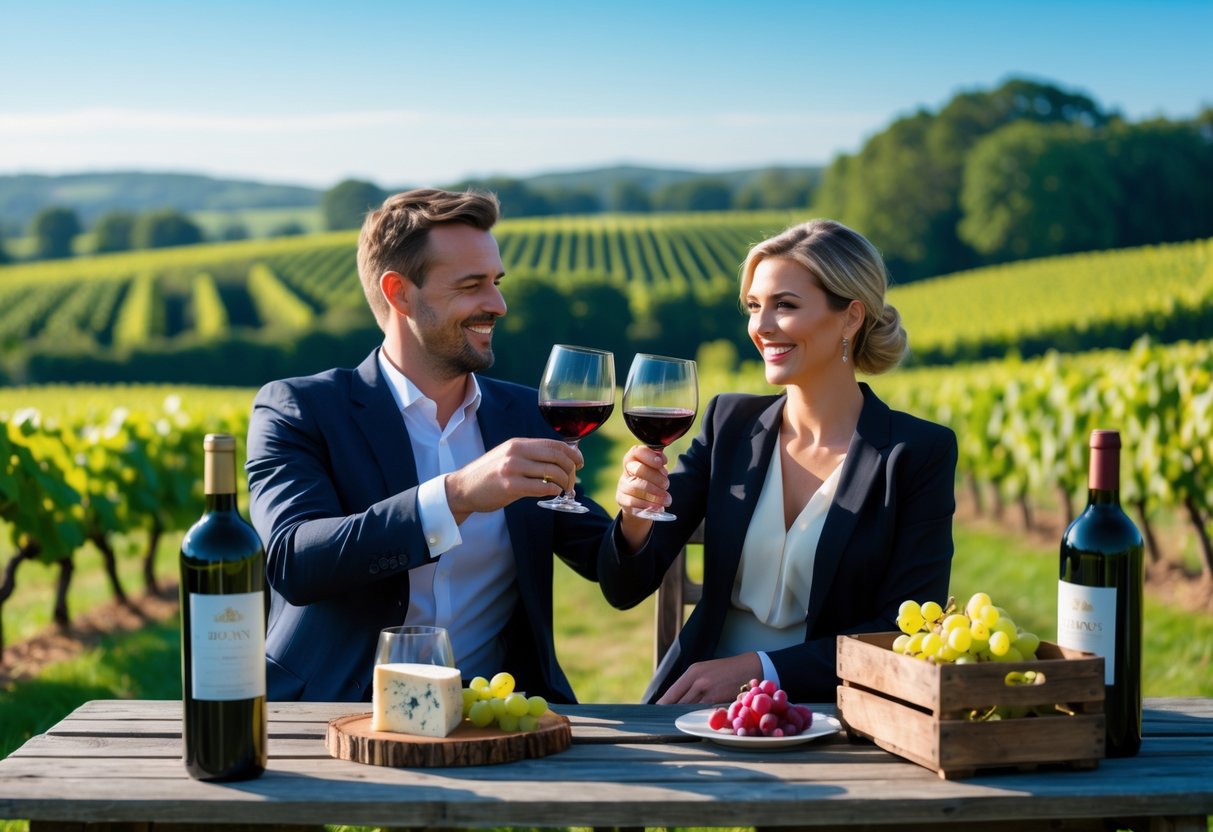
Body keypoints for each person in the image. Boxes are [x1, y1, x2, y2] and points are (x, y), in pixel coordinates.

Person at [245, 187, 611, 703]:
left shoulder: (526, 414)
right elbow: (293, 561)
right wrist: (456, 494)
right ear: (399, 292)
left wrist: (641, 511)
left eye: (497, 282)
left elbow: (614, 571)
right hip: (331, 715)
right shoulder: (299, 409)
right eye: (472, 285)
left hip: (495, 719)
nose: (498, 304)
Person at [598, 219, 958, 705]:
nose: (761, 327)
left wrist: (762, 671)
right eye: (753, 307)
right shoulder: (729, 424)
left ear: (851, 317)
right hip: (695, 707)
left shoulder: (915, 454)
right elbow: (623, 589)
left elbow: (905, 630)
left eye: (784, 306)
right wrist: (636, 520)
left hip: (835, 714)